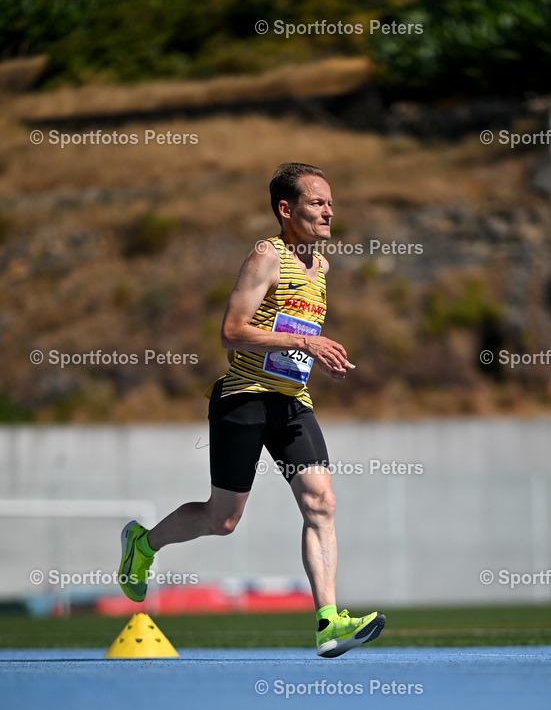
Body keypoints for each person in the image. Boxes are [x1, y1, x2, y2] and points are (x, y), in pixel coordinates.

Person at [118, 162, 385, 658]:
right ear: (287, 210)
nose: (329, 211)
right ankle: (143, 544)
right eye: (317, 203)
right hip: (243, 398)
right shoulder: (267, 255)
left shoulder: (322, 267)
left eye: (330, 202)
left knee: (321, 501)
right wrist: (307, 339)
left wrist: (315, 356)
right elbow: (233, 332)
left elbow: (290, 337)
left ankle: (328, 621)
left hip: (291, 402)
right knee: (223, 520)